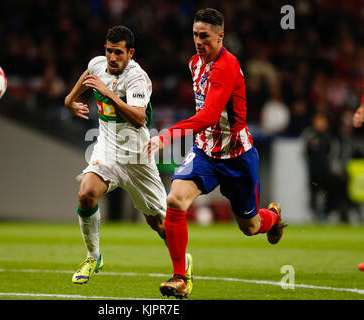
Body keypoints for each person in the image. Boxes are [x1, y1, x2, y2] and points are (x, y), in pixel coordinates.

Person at [144, 8, 285, 299]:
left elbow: (208, 115)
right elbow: (205, 119)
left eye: (204, 36)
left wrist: (168, 134)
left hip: (237, 158)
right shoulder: (195, 63)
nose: (198, 41)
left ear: (220, 36)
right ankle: (180, 277)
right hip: (205, 152)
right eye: (195, 35)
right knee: (174, 200)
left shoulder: (227, 66)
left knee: (250, 226)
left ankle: (272, 216)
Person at [64, 26, 193, 286]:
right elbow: (89, 74)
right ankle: (93, 257)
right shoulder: (98, 65)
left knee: (158, 222)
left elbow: (138, 118)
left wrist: (109, 93)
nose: (113, 58)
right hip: (107, 150)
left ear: (130, 53)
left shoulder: (137, 78)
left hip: (137, 158)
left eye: (119, 53)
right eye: (110, 51)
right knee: (86, 193)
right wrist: (70, 99)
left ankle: (182, 262)